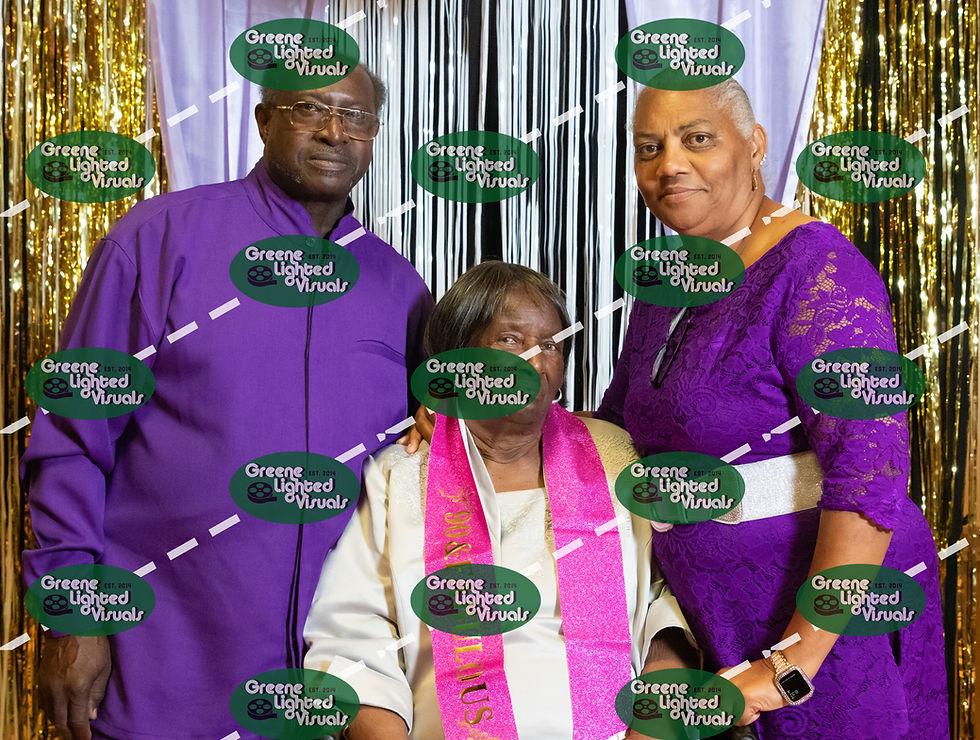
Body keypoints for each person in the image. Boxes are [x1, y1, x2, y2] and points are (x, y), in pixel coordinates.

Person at [21, 64, 433, 739]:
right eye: (310, 109)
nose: (334, 131)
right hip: (155, 673)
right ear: (264, 120)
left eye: (355, 116)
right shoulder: (158, 240)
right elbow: (71, 439)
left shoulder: (401, 289)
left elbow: (413, 474)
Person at [593, 79, 948, 738]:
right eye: (649, 147)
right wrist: (473, 427)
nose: (670, 164)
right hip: (712, 615)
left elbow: (870, 470)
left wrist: (793, 660)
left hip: (828, 625)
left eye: (697, 139)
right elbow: (615, 427)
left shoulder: (817, 269)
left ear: (755, 145)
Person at [304, 262, 698, 739]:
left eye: (550, 345)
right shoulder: (397, 475)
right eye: (510, 340)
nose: (534, 362)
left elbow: (667, 608)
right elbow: (352, 641)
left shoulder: (615, 457)